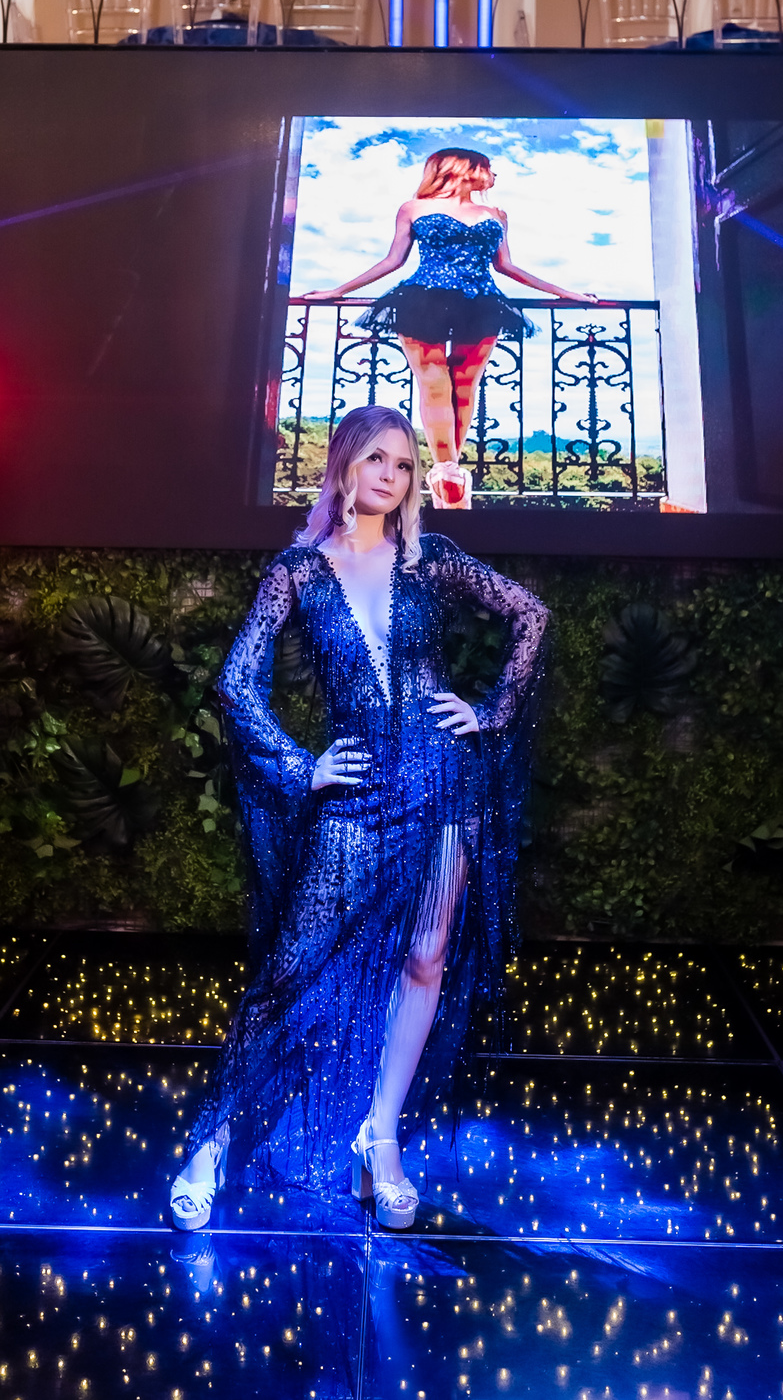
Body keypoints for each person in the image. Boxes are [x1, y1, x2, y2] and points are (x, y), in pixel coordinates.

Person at [169, 404, 549, 1231]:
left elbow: (532, 613)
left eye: (405, 464)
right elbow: (236, 682)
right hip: (356, 788)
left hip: (444, 782)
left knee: (425, 957)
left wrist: (490, 711)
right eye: (377, 458)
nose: (391, 475)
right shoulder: (299, 571)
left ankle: (380, 1139)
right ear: (345, 462)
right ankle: (213, 1144)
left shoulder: (432, 559)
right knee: (292, 969)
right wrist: (300, 765)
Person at [304, 147, 612, 508]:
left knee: (465, 384)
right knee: (434, 381)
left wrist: (565, 293)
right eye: (488, 168)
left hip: (481, 302)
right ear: (464, 168)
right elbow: (393, 261)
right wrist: (338, 291)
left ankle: (448, 476)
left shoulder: (496, 214)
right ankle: (448, 474)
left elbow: (506, 266)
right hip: (423, 299)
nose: (493, 176)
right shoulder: (413, 208)